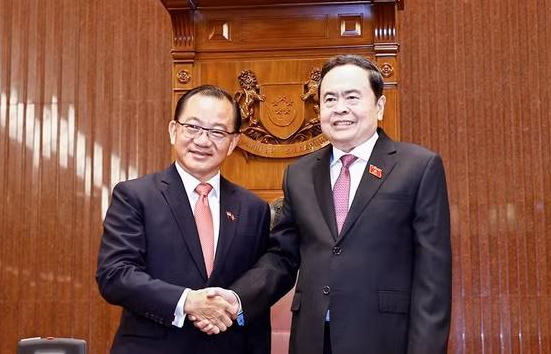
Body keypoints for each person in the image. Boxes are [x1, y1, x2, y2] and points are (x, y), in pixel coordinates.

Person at [197, 55, 452, 353]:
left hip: (385, 339)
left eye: (352, 97)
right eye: (330, 99)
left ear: (379, 106)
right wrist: (238, 298)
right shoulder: (299, 174)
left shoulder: (418, 167)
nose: (339, 108)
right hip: (313, 339)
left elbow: (433, 277)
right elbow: (283, 257)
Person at [96, 85, 272, 354]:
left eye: (217, 132)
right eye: (193, 127)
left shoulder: (254, 209)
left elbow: (256, 295)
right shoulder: (135, 196)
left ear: (233, 142)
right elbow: (115, 275)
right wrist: (187, 301)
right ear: (173, 130)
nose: (203, 140)